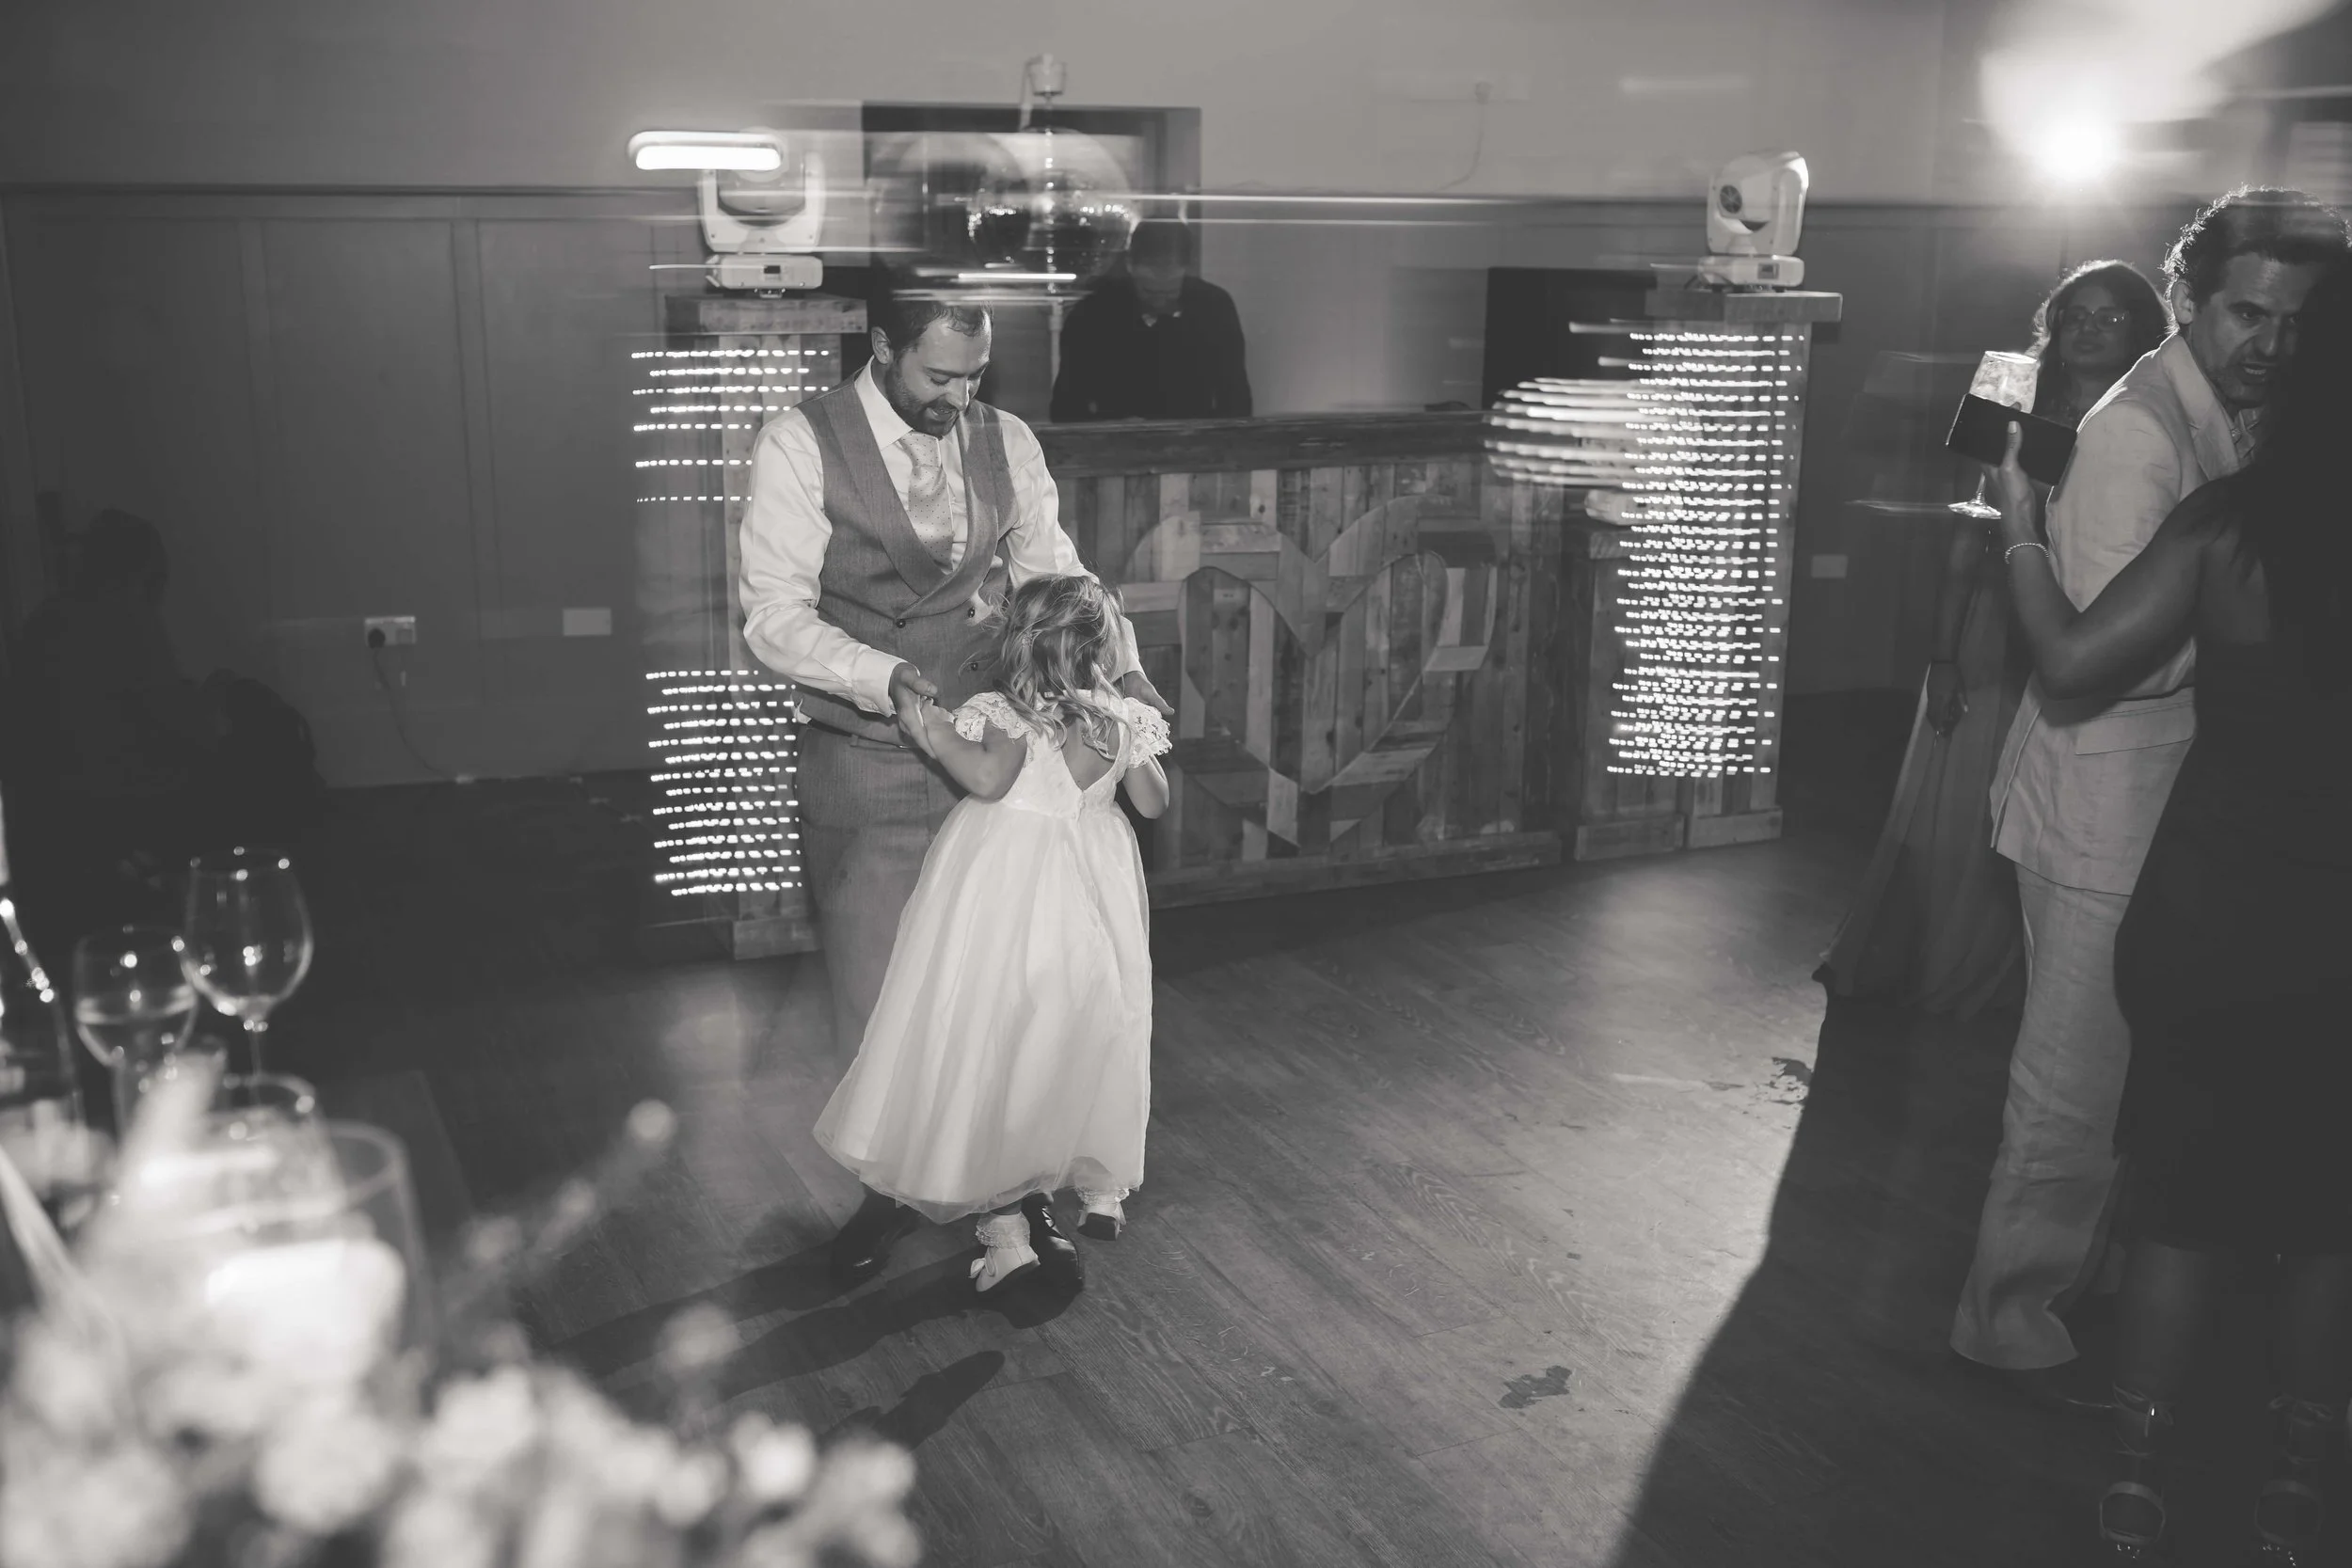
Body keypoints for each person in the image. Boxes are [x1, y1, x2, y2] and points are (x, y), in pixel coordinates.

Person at [1947, 188, 2349, 1411]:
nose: (2268, 342)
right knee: (2068, 1094)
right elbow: (2111, 657)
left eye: (2293, 319)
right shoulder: (2138, 433)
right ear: (2189, 298)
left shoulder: (2236, 413)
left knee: (2140, 1086)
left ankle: (2099, 1301)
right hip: (2102, 806)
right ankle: (2006, 1320)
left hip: (2184, 816)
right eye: (2245, 312)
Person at [738, 276, 1171, 1288]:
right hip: (869, 752)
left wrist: (1125, 676)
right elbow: (773, 613)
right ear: (883, 346)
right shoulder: (800, 442)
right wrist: (883, 677)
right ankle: (889, 1188)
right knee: (885, 990)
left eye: (975, 375)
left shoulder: (1005, 439)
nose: (960, 396)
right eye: (940, 375)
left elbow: (1057, 573)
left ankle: (1015, 1194)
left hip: (1005, 749)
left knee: (1013, 989)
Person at [1822, 261, 2168, 1017]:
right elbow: (1967, 538)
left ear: (2141, 330)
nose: (2088, 329)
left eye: (2109, 317)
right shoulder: (2013, 405)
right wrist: (1944, 655)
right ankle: (1947, 961)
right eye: (2076, 314)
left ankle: (2038, 978)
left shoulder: (2149, 424)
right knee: (1964, 806)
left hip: (2090, 621)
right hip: (1997, 614)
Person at [813, 576, 1169, 1294]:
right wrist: (1129, 735)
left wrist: (926, 726)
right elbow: (1154, 804)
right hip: (1090, 911)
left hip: (1008, 904)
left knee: (989, 1044)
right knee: (1072, 1042)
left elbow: (986, 780)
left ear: (1018, 643)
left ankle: (1004, 1232)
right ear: (1099, 647)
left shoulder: (1009, 716)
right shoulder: (1117, 719)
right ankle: (1098, 1189)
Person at [1049, 219, 1252, 421]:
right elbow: (1066, 407)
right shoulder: (1092, 315)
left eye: (1170, 292)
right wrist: (1114, 427)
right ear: (1130, 265)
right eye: (1149, 292)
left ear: (1187, 269)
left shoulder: (1213, 307)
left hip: (1196, 437)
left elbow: (1235, 398)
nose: (1160, 302)